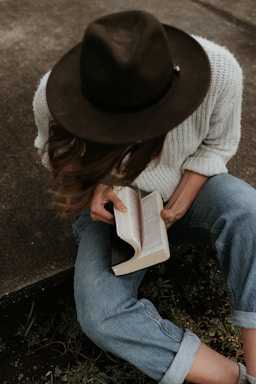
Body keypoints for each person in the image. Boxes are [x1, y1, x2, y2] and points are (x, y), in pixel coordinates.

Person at [33, 10, 256, 384]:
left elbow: (218, 145)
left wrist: (183, 198)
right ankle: (232, 378)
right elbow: (51, 152)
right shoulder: (52, 98)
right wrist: (93, 186)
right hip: (118, 210)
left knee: (249, 211)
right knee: (102, 314)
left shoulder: (221, 72)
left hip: (194, 185)